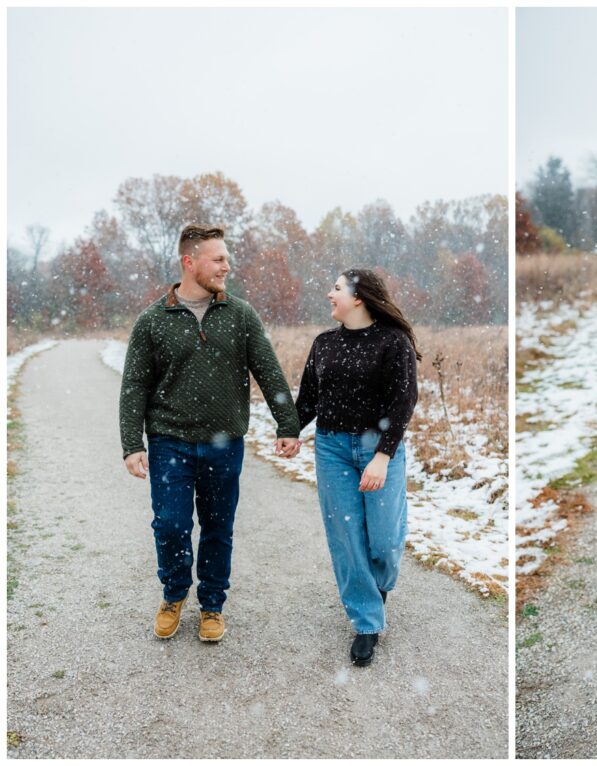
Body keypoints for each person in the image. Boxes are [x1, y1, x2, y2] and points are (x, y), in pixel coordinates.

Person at [119, 224, 301, 642]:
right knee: (170, 525)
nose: (226, 266)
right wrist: (132, 443)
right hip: (169, 441)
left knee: (219, 527)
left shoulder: (239, 314)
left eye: (226, 258)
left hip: (224, 444)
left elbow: (268, 370)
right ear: (190, 261)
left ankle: (213, 605)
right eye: (218, 259)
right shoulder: (152, 321)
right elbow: (134, 386)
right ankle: (174, 592)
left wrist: (286, 423)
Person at [295, 269, 419, 667]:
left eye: (336, 288)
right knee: (347, 537)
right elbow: (308, 400)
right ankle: (366, 622)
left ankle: (377, 586)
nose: (328, 294)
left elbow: (403, 402)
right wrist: (289, 431)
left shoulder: (392, 342)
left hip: (377, 448)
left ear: (359, 297)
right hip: (331, 448)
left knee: (383, 540)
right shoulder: (324, 344)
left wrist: (382, 456)